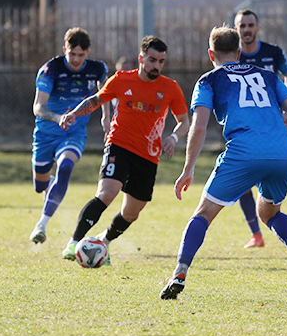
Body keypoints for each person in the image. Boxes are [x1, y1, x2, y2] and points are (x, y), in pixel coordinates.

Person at [161, 26, 287, 300]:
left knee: (203, 214)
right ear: (238, 53)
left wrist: (188, 169)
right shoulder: (268, 76)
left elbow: (199, 126)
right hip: (281, 152)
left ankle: (179, 273)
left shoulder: (208, 80)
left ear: (211, 54)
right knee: (269, 213)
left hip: (244, 152)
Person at [58, 36, 189, 262]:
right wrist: (74, 114)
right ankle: (73, 242)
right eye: (152, 60)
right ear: (141, 58)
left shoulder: (170, 87)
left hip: (148, 156)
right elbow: (96, 100)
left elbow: (184, 121)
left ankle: (103, 242)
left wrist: (174, 137)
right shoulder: (121, 79)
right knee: (106, 193)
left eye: (161, 61)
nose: (156, 66)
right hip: (119, 145)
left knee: (131, 212)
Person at [29, 28, 110, 244]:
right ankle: (49, 185)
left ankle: (41, 225)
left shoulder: (97, 69)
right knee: (39, 186)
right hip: (46, 134)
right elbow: (38, 107)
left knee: (65, 167)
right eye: (72, 54)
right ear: (65, 50)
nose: (75, 59)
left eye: (80, 55)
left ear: (87, 53)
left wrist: (106, 117)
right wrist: (58, 118)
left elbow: (105, 93)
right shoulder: (50, 70)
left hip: (74, 132)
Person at [232, 9, 287, 248]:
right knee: (241, 181)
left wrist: (286, 109)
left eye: (250, 25)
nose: (247, 29)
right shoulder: (232, 56)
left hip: (271, 126)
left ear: (257, 28)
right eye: (242, 25)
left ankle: (273, 218)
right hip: (244, 126)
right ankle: (256, 234)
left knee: (269, 175)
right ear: (236, 29)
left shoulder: (273, 53)